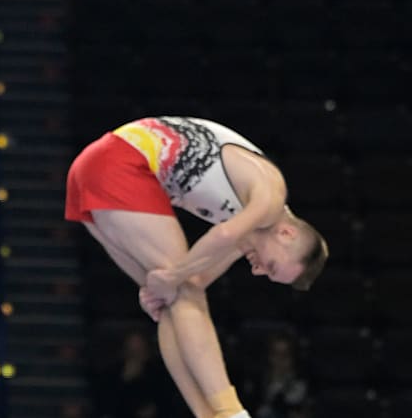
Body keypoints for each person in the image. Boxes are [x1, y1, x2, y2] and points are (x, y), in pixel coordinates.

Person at [65, 116, 328, 418]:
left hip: (92, 172)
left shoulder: (248, 231)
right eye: (270, 266)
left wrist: (164, 283)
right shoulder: (270, 198)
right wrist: (173, 276)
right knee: (182, 292)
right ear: (287, 233)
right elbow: (222, 236)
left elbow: (197, 279)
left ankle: (206, 414)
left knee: (173, 300)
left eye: (266, 275)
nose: (257, 271)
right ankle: (231, 413)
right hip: (121, 162)